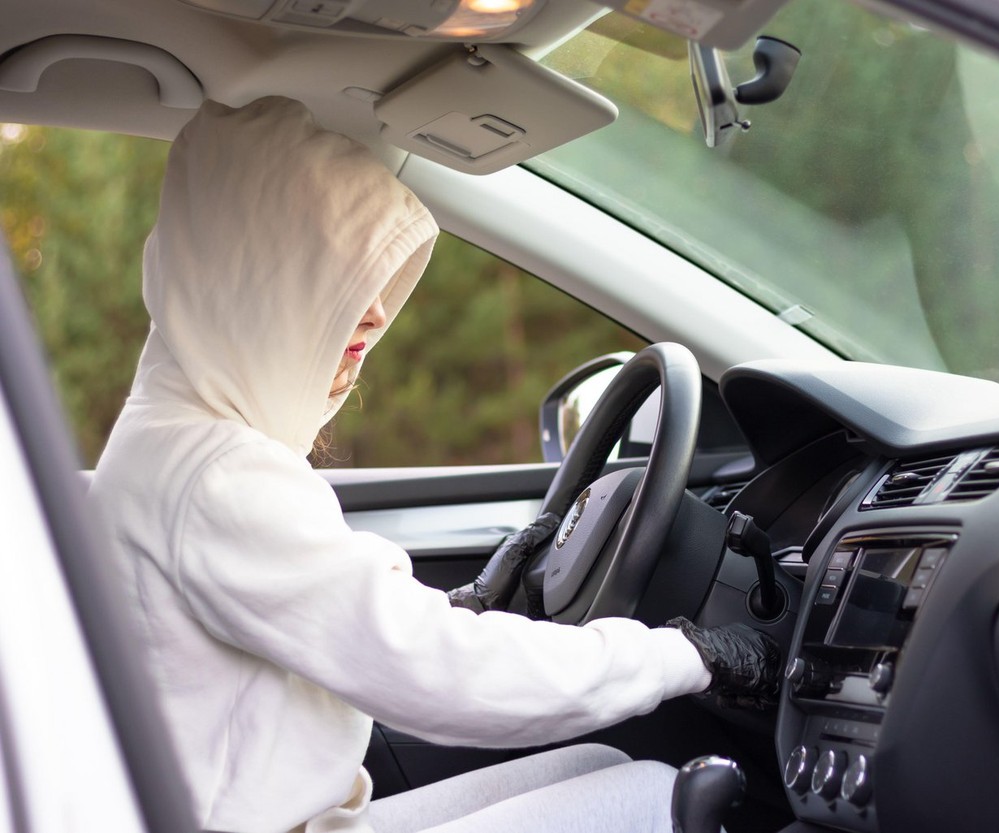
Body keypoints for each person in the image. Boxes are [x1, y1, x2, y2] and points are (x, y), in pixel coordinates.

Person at [89, 96, 778, 833]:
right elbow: (439, 674)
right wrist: (684, 655)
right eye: (332, 271)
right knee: (650, 797)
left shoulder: (171, 433)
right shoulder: (218, 473)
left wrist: (461, 608)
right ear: (249, 277)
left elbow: (343, 626)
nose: (380, 312)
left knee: (601, 769)